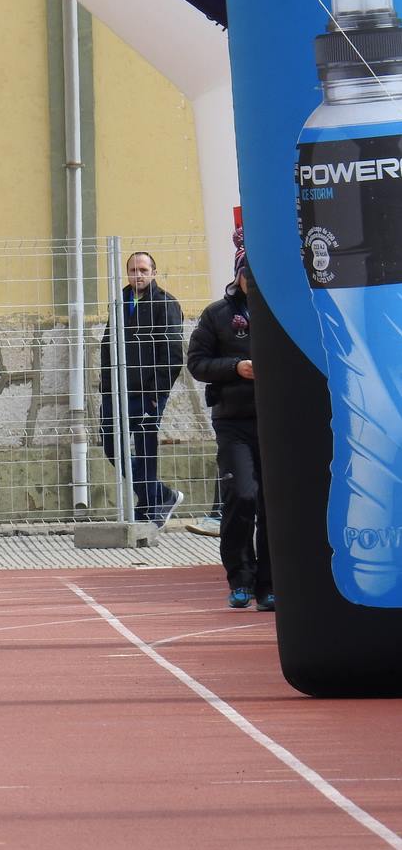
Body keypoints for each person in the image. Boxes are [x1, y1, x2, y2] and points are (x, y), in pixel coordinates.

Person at [187, 249, 273, 611]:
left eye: (258, 274)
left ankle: (269, 586)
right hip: (233, 421)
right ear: (237, 275)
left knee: (273, 505)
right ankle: (240, 579)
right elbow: (197, 363)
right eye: (246, 274)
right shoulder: (217, 314)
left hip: (276, 422)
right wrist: (236, 366)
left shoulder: (282, 310)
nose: (251, 281)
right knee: (243, 495)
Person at [98, 250, 186, 526]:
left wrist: (156, 394)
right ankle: (161, 495)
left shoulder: (165, 304)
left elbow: (172, 354)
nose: (138, 275)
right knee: (113, 448)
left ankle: (148, 509)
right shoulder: (120, 302)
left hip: (147, 394)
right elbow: (107, 346)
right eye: (133, 270)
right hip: (117, 392)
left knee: (146, 452)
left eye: (143, 270)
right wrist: (107, 386)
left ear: (153, 273)